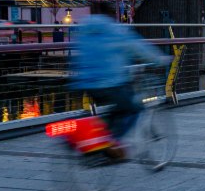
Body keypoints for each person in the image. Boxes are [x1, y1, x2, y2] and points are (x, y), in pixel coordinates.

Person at [68, 14, 169, 160]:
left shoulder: (83, 31)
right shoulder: (115, 30)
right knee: (133, 108)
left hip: (85, 82)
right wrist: (159, 59)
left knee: (115, 110)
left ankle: (96, 138)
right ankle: (111, 144)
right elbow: (137, 47)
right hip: (110, 82)